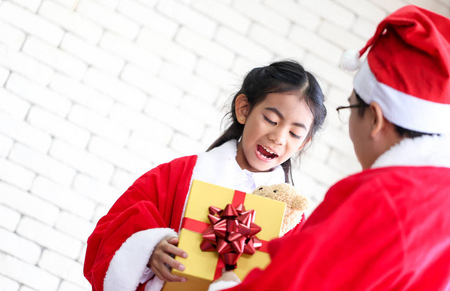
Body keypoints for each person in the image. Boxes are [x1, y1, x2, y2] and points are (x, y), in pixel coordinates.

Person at [208, 5, 450, 291]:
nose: (277, 137)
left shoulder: (377, 200)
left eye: (350, 106)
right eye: (271, 119)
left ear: (374, 118)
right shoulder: (438, 198)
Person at [83, 60, 327, 291]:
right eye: (271, 119)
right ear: (243, 109)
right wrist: (148, 249)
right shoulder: (179, 174)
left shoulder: (293, 220)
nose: (279, 137)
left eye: (295, 134)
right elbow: (109, 233)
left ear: (304, 143)